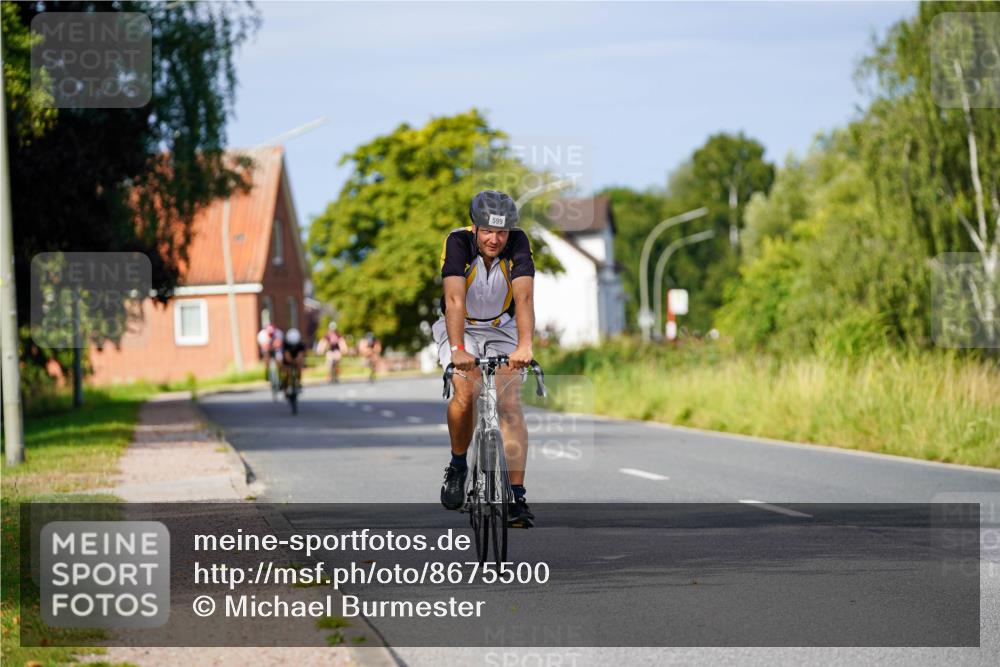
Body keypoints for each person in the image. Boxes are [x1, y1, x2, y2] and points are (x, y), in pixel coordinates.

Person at [433, 190, 536, 528]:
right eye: (488, 231)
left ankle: (516, 496)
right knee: (465, 392)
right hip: (459, 325)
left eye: (502, 232)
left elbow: (523, 298)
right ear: (475, 228)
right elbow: (453, 299)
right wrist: (458, 350)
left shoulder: (519, 244)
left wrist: (525, 346)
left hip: (502, 328)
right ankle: (459, 464)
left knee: (509, 401)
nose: (495, 239)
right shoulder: (458, 242)